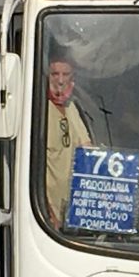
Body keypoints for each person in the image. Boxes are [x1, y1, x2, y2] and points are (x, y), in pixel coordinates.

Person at [45, 55, 92, 227]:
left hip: (74, 212)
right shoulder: (39, 111)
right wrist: (48, 214)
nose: (60, 81)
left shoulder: (71, 108)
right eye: (55, 74)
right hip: (47, 216)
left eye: (65, 75)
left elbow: (87, 149)